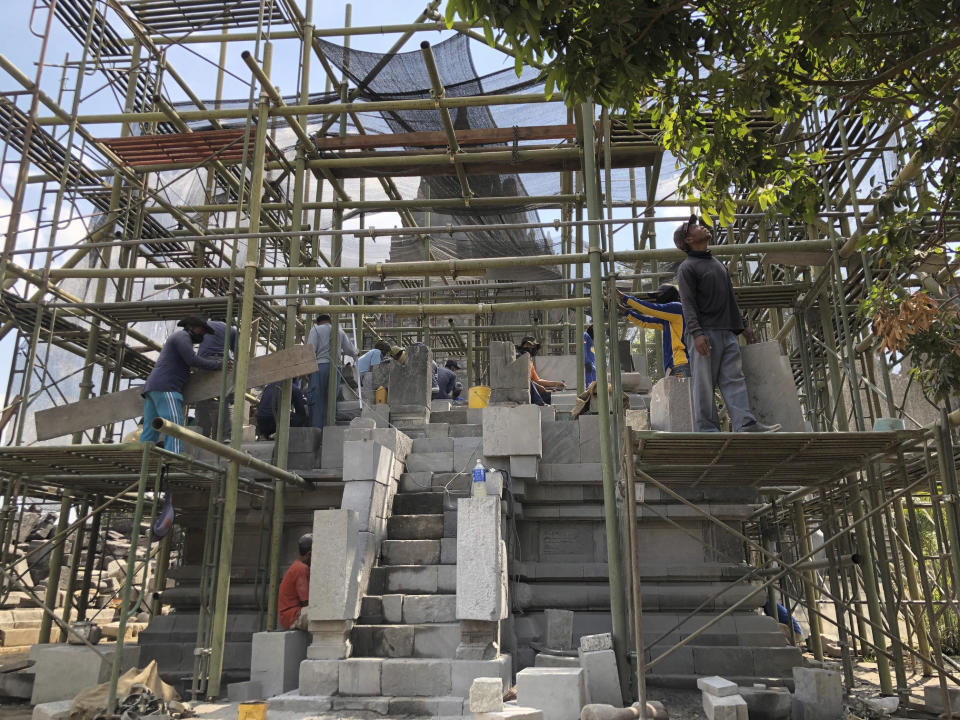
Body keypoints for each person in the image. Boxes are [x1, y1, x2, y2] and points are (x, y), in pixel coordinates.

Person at [675, 215, 780, 432]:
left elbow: (730, 299)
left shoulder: (717, 265)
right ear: (688, 240)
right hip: (705, 334)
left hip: (727, 332)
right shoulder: (687, 268)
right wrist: (696, 333)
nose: (701, 227)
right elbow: (688, 303)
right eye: (695, 227)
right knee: (704, 384)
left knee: (734, 379)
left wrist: (742, 326)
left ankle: (745, 424)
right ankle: (707, 430)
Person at [140, 317, 226, 454]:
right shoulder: (182, 336)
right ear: (191, 326)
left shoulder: (179, 338)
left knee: (150, 428)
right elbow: (191, 359)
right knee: (174, 425)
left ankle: (142, 456)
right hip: (166, 387)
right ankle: (173, 457)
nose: (203, 334)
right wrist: (217, 365)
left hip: (153, 388)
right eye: (202, 330)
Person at [617, 285, 690, 377]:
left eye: (658, 295)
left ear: (668, 294)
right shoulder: (668, 320)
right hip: (673, 367)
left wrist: (625, 298)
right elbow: (644, 322)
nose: (657, 299)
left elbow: (650, 309)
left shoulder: (677, 308)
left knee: (682, 391)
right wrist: (626, 312)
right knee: (679, 391)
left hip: (680, 364)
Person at [307, 314, 359, 428]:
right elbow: (350, 350)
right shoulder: (339, 331)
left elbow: (310, 349)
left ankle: (317, 429)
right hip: (335, 369)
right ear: (330, 321)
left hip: (319, 367)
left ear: (318, 322)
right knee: (331, 400)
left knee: (317, 399)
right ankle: (329, 427)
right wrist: (356, 352)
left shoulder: (315, 329)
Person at [195, 318, 237, 440]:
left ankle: (202, 433)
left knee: (202, 399)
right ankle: (225, 436)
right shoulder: (232, 329)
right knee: (224, 400)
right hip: (222, 363)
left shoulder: (204, 324)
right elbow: (237, 352)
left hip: (203, 362)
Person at [517, 336, 565, 406]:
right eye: (528, 345)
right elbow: (523, 379)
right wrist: (538, 386)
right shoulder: (519, 357)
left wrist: (555, 384)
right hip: (518, 387)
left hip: (529, 387)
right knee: (534, 386)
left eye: (533, 346)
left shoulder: (530, 361)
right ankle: (540, 403)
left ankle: (544, 409)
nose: (531, 348)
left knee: (546, 394)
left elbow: (537, 380)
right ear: (523, 345)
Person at [277, 533, 312, 631]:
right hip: (292, 616)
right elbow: (306, 602)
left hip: (289, 615)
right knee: (322, 614)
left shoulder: (297, 566)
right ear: (309, 554)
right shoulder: (301, 568)